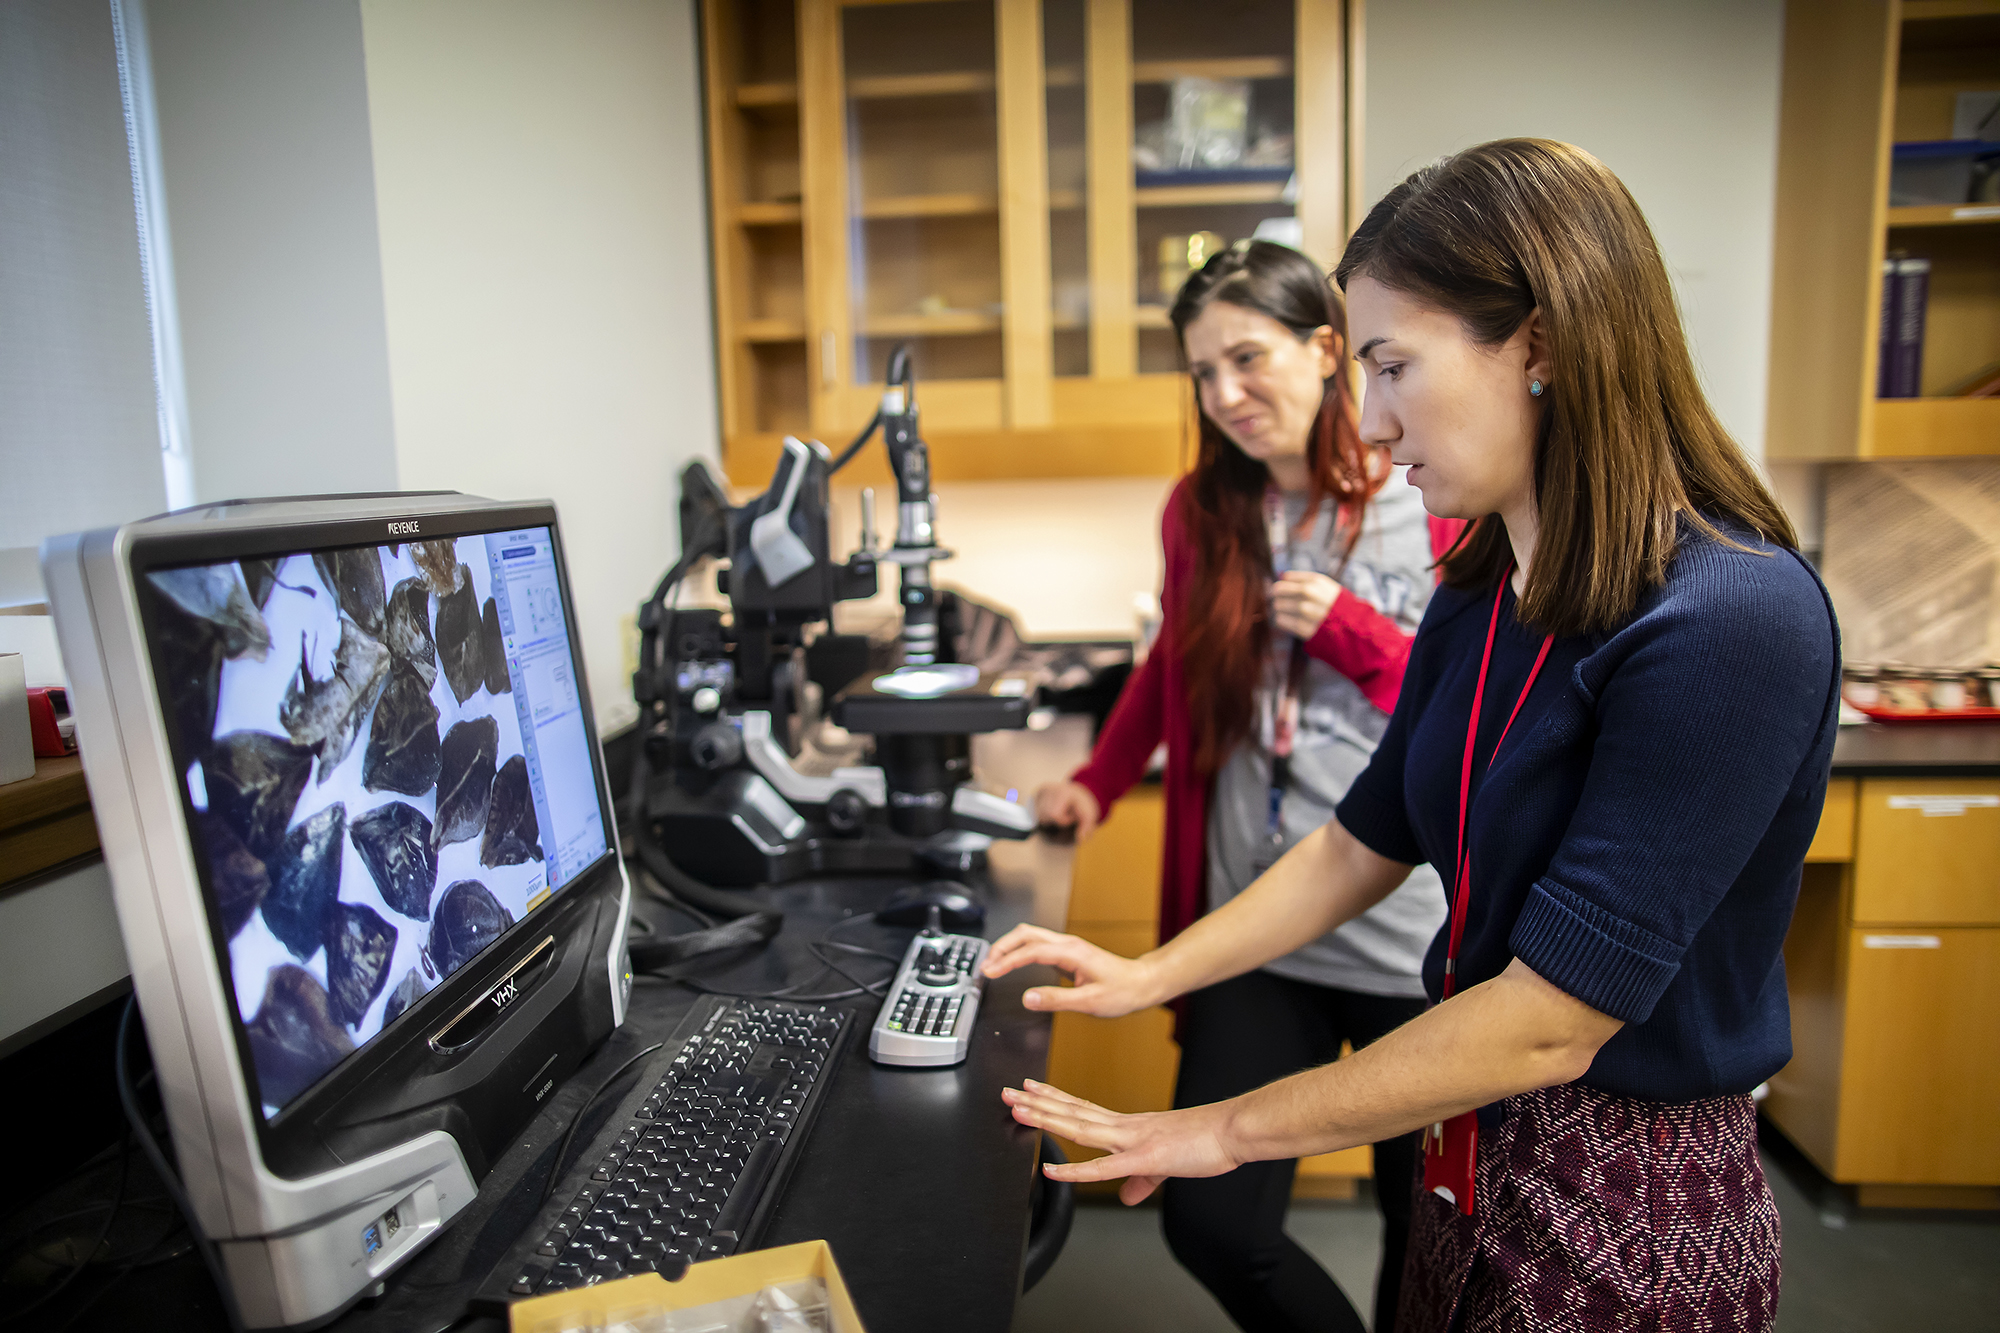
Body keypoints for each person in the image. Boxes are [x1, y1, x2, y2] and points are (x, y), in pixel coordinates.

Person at [989, 139, 1838, 1333]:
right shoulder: (1484, 585)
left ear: (1538, 344)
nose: (1373, 422)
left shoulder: (1730, 616)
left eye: (1391, 366)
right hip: (1469, 1159)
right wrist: (1152, 972)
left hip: (1620, 1210)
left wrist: (1221, 1129)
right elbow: (1360, 840)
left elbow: (1550, 1017)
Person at [1034, 239, 1458, 1333]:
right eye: (1200, 373)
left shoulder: (1438, 497)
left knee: (1426, 1235)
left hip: (1412, 925)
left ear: (1327, 350)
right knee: (1209, 1223)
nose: (1223, 395)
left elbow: (1471, 707)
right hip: (1253, 923)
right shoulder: (1203, 511)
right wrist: (1095, 778)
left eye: (1246, 358)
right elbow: (1169, 663)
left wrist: (1356, 634)